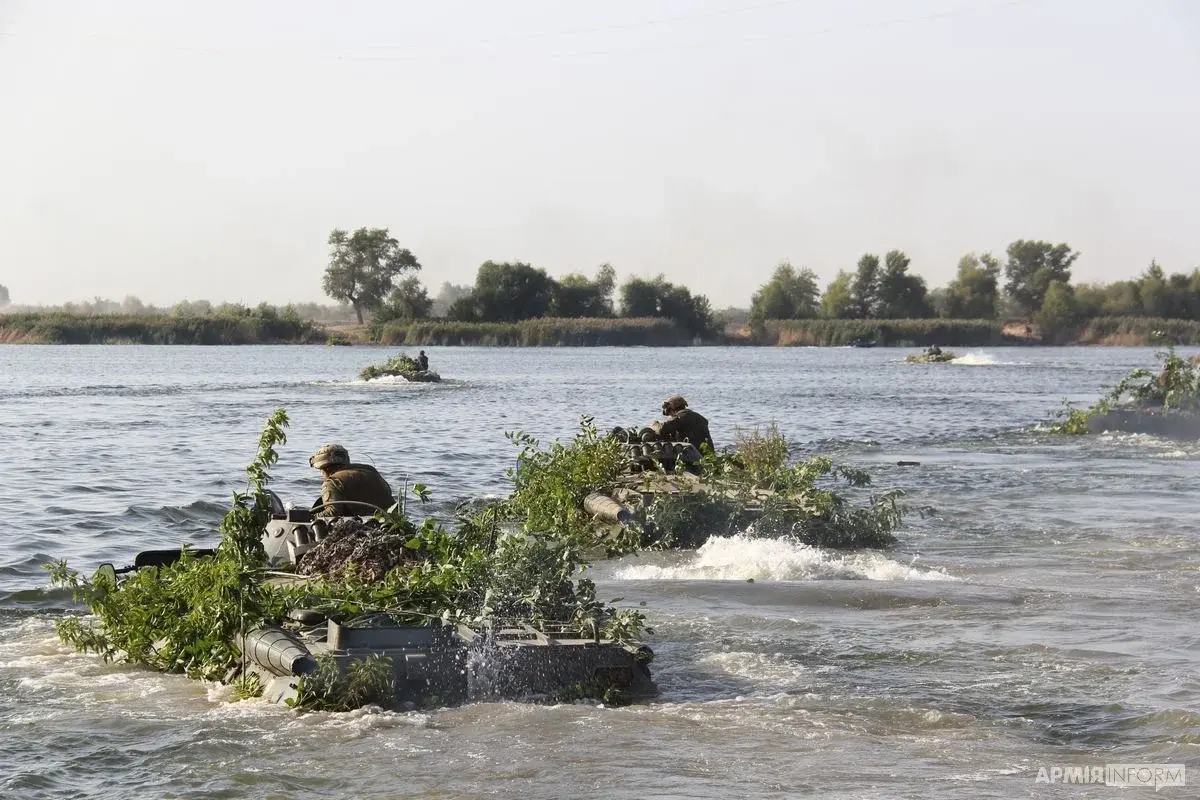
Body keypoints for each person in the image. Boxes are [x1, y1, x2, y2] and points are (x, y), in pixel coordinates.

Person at [309, 443, 396, 517]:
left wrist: (311, 517)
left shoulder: (332, 482)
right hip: (391, 520)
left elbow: (333, 512)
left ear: (326, 469)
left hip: (365, 527)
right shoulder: (370, 471)